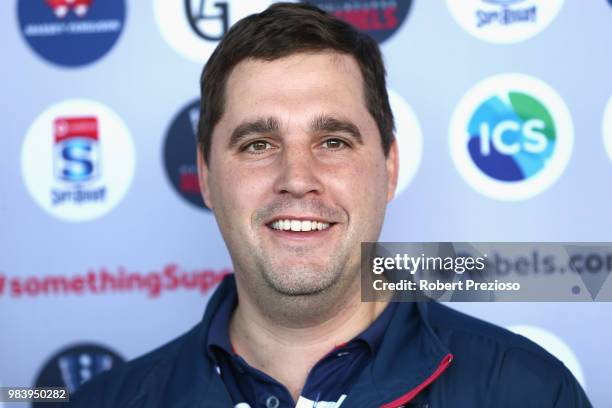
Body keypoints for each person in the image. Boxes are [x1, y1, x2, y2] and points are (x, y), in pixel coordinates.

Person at [70, 3, 591, 407]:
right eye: (258, 144)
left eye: (333, 142)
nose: (297, 179)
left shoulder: (529, 391)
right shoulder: (106, 401)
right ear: (206, 177)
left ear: (389, 168)